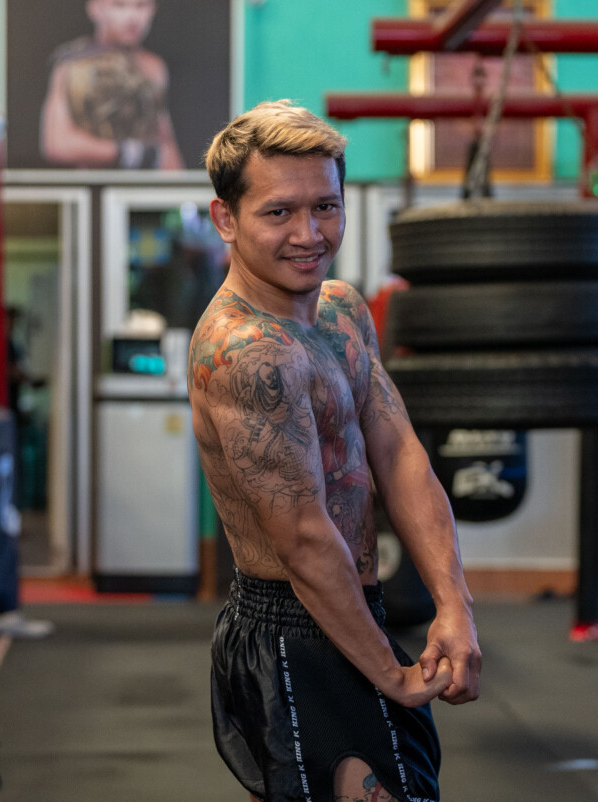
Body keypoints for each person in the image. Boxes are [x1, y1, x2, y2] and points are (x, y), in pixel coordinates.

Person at [189, 100, 481, 802]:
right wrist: (390, 675)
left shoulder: (342, 310)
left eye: (325, 206)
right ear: (226, 219)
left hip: (350, 607)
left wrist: (453, 603)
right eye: (278, 212)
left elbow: (399, 452)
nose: (308, 234)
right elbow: (304, 539)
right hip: (292, 627)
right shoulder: (248, 352)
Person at [40, 0, 184, 169]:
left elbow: (165, 143)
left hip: (142, 183)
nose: (132, 17)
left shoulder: (153, 67)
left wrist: (181, 184)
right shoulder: (74, 65)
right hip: (93, 181)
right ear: (95, 8)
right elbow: (57, 143)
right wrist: (126, 152)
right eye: (119, 5)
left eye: (141, 5)